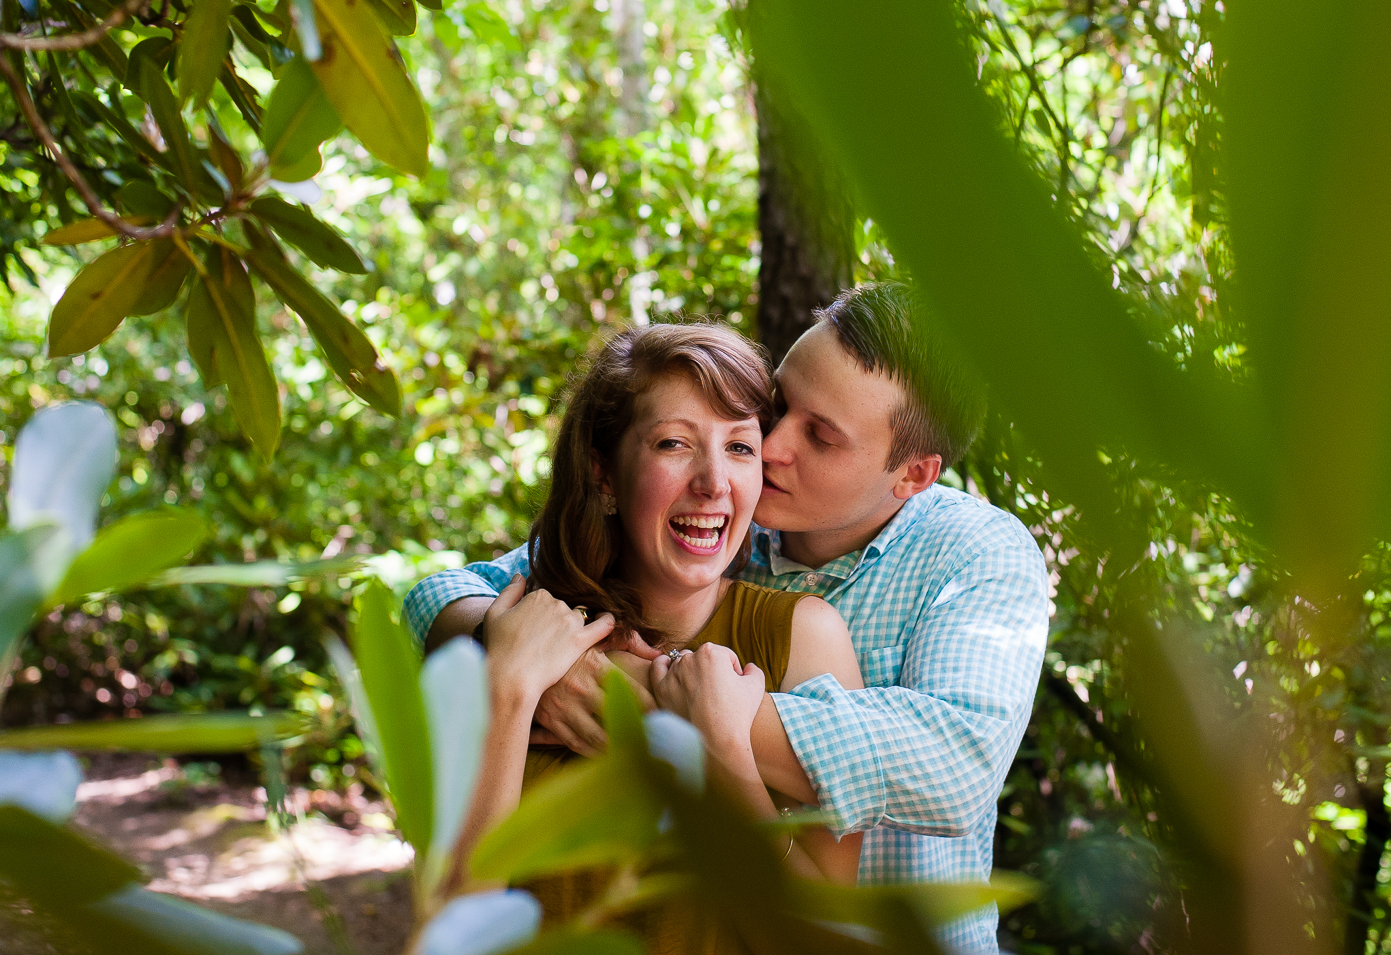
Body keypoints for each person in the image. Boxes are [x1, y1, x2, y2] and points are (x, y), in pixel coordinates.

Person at [413, 283, 1052, 954]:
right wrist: (510, 652)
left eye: (820, 435)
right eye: (778, 406)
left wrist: (677, 706)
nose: (769, 445)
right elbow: (449, 594)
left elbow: (957, 766)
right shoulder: (710, 531)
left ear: (912, 476)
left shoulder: (973, 553)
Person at [451, 322, 866, 949]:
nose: (713, 482)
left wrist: (724, 752)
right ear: (604, 474)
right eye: (675, 443)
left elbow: (827, 934)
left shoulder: (803, 637)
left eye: (740, 448)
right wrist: (508, 687)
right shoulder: (525, 630)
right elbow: (455, 926)